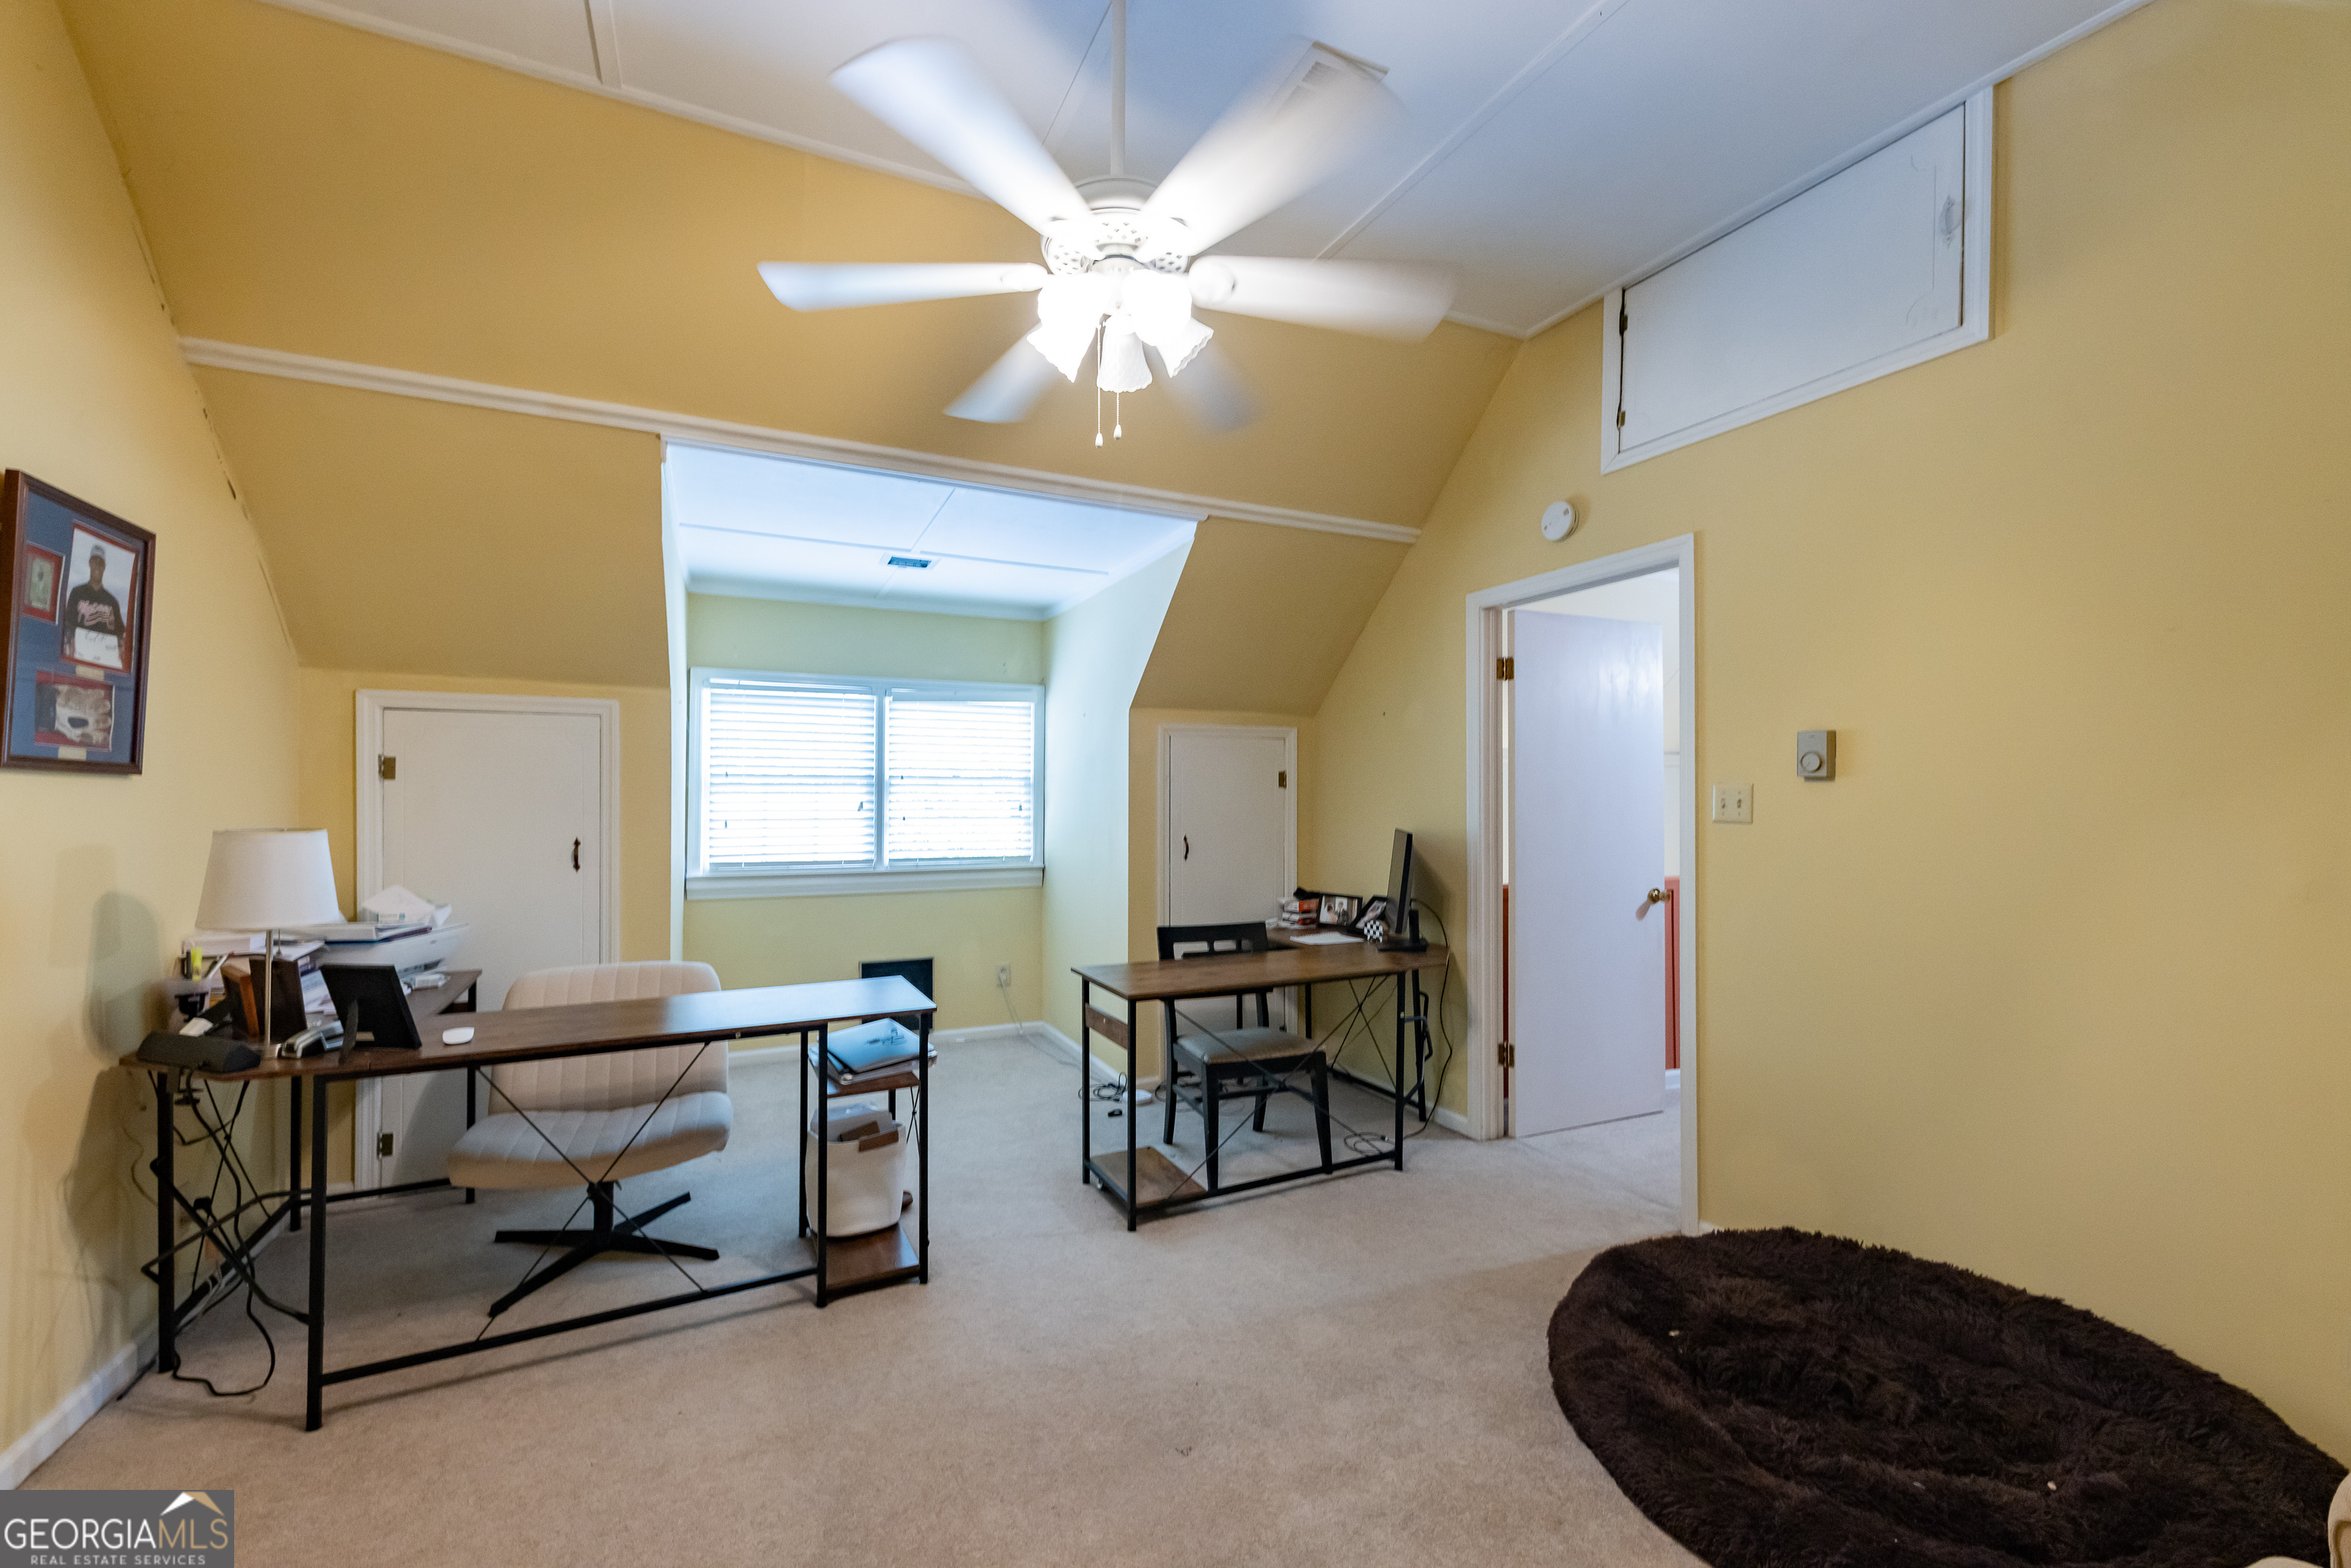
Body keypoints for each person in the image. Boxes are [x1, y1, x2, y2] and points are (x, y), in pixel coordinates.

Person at [62, 547, 126, 666]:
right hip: (80, 656)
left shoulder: (112, 601)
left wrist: (120, 648)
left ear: (104, 567)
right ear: (90, 563)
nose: (97, 566)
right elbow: (68, 623)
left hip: (104, 660)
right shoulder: (77, 593)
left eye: (100, 563)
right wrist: (70, 640)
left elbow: (120, 633)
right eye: (94, 561)